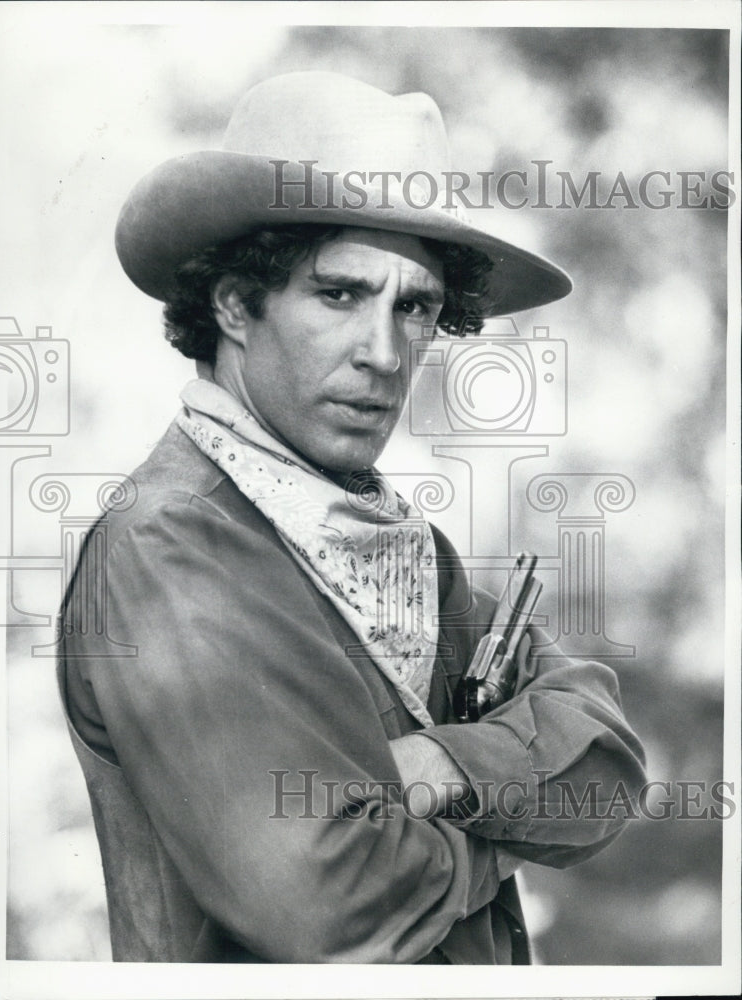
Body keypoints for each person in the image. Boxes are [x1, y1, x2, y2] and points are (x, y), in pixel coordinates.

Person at [57, 71, 646, 964]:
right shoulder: (173, 542)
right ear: (234, 304)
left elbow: (607, 769)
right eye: (339, 295)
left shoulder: (400, 543)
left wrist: (444, 769)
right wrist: (501, 809)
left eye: (414, 307)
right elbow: (334, 903)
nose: (384, 353)